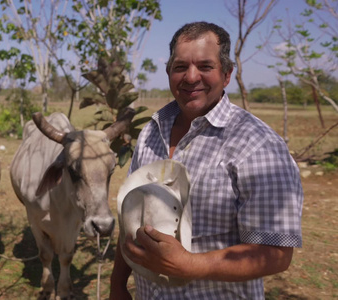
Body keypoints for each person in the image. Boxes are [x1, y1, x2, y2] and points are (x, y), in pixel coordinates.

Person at [110, 21, 303, 299]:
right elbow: (131, 218)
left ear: (226, 75)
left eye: (205, 66)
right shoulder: (153, 131)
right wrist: (118, 284)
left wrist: (188, 265)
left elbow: (276, 253)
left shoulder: (257, 144)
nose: (190, 77)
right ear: (169, 73)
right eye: (180, 67)